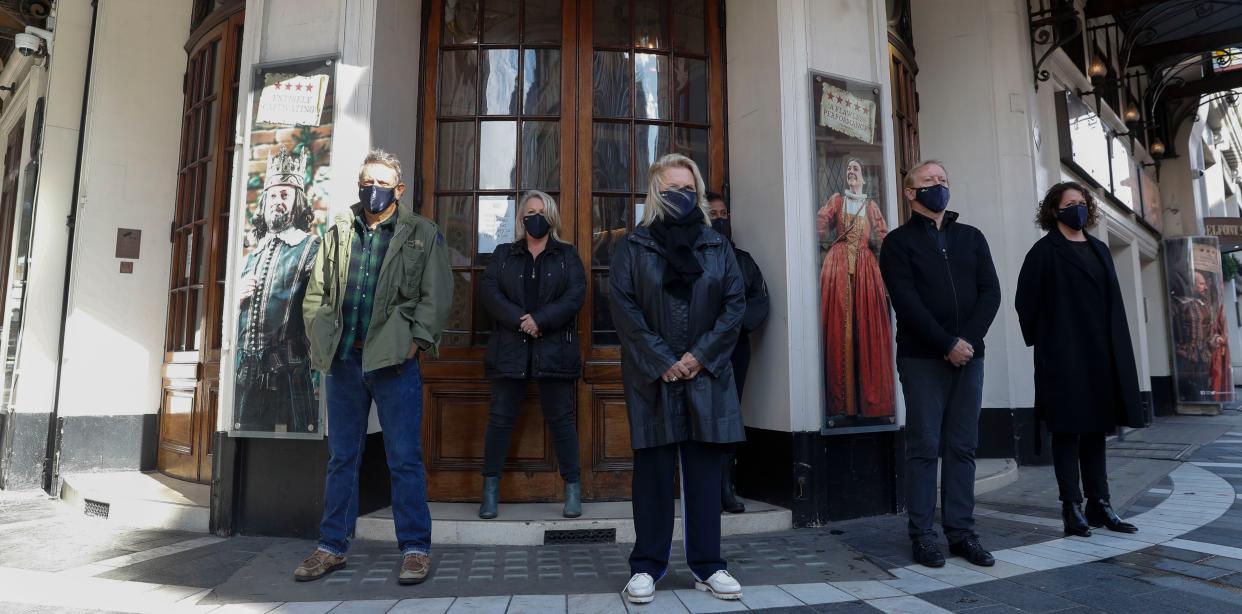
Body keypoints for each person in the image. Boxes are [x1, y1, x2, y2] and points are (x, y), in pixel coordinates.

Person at [294, 149, 453, 585]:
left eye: (383, 183)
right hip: (345, 360)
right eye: (367, 181)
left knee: (403, 458)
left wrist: (415, 344)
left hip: (394, 365)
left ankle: (415, 548)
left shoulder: (422, 233)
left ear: (398, 190)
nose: (373, 190)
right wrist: (321, 334)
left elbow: (436, 297)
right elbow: (316, 293)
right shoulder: (340, 231)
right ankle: (331, 547)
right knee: (343, 457)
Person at [610, 154, 747, 604]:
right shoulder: (633, 247)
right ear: (655, 193)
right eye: (672, 190)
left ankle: (709, 566)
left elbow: (734, 305)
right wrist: (663, 359)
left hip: (706, 375)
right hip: (653, 379)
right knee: (651, 475)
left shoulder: (716, 246)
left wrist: (699, 356)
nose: (681, 197)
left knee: (705, 475)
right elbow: (624, 310)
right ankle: (647, 566)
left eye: (689, 189)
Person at [878, 159, 1000, 569]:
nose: (938, 186)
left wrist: (967, 342)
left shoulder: (972, 237)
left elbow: (991, 292)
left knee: (963, 448)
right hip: (922, 358)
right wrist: (946, 342)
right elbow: (906, 302)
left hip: (970, 357)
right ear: (911, 193)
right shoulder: (897, 243)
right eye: (929, 181)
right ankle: (923, 536)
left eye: (943, 180)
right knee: (924, 447)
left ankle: (962, 533)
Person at [1015, 181, 1145, 537]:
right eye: (1071, 203)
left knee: (1095, 430)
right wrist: (1048, 341)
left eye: (1083, 202)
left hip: (1101, 353)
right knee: (1068, 430)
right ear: (1055, 210)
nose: (1079, 208)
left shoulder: (1101, 250)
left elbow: (1112, 301)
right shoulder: (1043, 252)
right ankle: (1071, 507)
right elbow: (1024, 302)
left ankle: (1099, 503)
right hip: (1063, 354)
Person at [478, 190, 587, 520]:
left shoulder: (567, 255)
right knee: (500, 420)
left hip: (555, 351)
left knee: (562, 421)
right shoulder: (503, 254)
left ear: (550, 216)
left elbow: (575, 295)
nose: (534, 217)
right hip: (510, 350)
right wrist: (520, 321)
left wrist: (542, 319)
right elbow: (489, 292)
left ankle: (572, 490)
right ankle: (490, 492)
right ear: (520, 217)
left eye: (540, 211)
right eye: (529, 211)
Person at [235, 146, 321, 434]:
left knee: (294, 448)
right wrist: (236, 299)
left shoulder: (310, 248)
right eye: (273, 195)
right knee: (249, 441)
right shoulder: (253, 254)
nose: (278, 201)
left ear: (297, 200)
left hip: (291, 373)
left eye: (285, 195)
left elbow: (320, 310)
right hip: (248, 374)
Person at [816, 158, 895, 422]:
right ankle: (841, 404)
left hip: (864, 268)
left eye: (856, 170)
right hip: (838, 267)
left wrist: (887, 272)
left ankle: (870, 405)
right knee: (840, 327)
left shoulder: (870, 206)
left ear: (863, 178)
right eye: (848, 169)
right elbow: (819, 226)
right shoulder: (837, 201)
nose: (851, 173)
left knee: (866, 327)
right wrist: (824, 247)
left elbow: (885, 238)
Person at [706, 192, 769, 514]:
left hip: (734, 349)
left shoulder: (743, 260)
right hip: (699, 351)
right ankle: (701, 487)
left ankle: (725, 487)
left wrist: (732, 327)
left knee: (729, 414)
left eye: (723, 212)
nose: (720, 219)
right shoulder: (692, 258)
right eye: (713, 213)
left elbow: (759, 301)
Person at [1173, 271, 1229, 401]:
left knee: (1202, 392)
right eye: (1202, 283)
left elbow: (1209, 333)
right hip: (1183, 358)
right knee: (1188, 392)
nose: (1206, 287)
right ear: (1192, 285)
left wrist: (1217, 339)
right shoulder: (1178, 304)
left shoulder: (1204, 306)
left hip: (1203, 359)